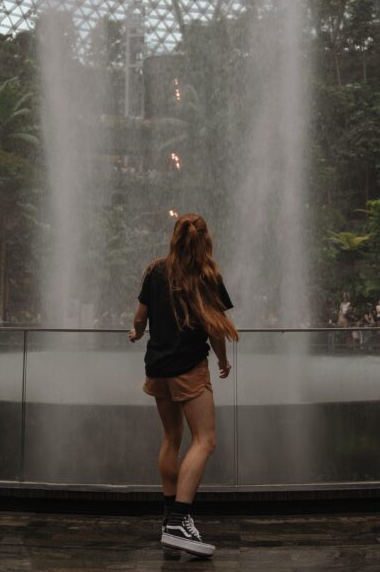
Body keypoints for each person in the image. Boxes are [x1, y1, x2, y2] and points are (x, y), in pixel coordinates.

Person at [129, 213, 237, 558]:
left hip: (157, 366)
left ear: (174, 238)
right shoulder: (207, 275)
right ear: (204, 240)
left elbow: (140, 318)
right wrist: (221, 361)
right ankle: (179, 519)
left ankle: (167, 519)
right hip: (189, 367)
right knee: (205, 440)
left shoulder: (155, 270)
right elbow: (216, 328)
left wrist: (136, 333)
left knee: (172, 439)